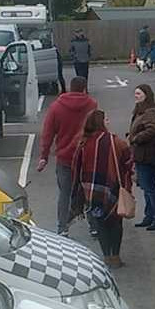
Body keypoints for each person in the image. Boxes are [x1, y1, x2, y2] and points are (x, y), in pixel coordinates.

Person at [36, 77, 99, 237]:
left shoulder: (57, 107)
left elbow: (48, 132)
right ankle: (94, 225)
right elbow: (98, 130)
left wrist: (44, 155)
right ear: (84, 89)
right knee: (89, 192)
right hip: (87, 157)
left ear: (70, 88)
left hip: (65, 158)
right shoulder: (92, 105)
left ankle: (62, 227)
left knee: (64, 194)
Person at [73, 109, 134, 268]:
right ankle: (116, 256)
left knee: (100, 223)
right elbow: (128, 161)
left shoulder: (83, 143)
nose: (108, 121)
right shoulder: (115, 142)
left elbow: (76, 168)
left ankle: (106, 255)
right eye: (105, 119)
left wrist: (77, 194)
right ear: (101, 123)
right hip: (112, 188)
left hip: (92, 190)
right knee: (115, 223)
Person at [127, 84, 155, 231]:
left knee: (150, 188)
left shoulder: (149, 112)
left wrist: (136, 138)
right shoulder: (140, 111)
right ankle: (149, 216)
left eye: (139, 94)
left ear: (146, 95)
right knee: (146, 187)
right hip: (140, 155)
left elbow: (153, 129)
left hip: (147, 156)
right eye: (135, 93)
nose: (136, 96)